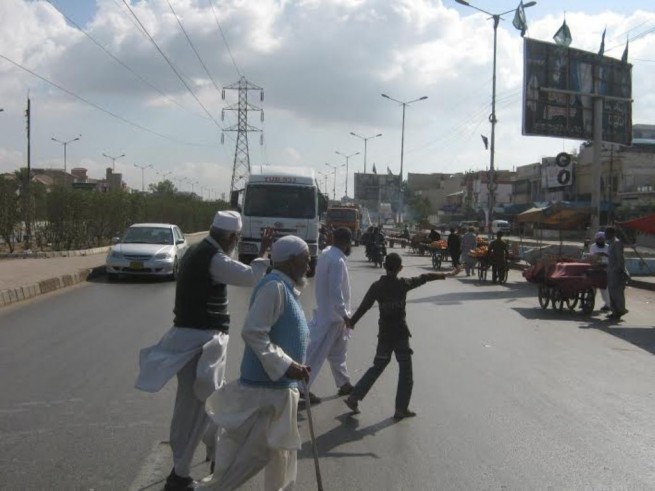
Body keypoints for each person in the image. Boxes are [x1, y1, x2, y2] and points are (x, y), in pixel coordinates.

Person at [135, 211, 273, 491]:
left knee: (210, 402)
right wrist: (264, 252)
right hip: (203, 342)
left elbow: (234, 270)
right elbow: (250, 276)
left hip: (191, 339)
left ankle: (215, 457)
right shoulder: (213, 258)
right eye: (236, 238)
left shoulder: (198, 251)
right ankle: (180, 473)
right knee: (200, 406)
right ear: (232, 237)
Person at [198, 236, 312, 491]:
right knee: (251, 457)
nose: (309, 265)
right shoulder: (274, 287)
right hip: (264, 393)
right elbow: (253, 332)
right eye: (305, 259)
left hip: (280, 390)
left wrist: (292, 368)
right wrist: (286, 364)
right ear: (292, 261)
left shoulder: (286, 288)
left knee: (281, 455)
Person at [344, 253, 460, 419]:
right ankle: (401, 409)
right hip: (400, 334)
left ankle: (354, 397)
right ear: (400, 268)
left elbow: (364, 307)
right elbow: (424, 277)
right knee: (405, 371)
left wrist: (352, 322)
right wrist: (448, 274)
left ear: (384, 266)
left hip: (384, 334)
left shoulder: (376, 286)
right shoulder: (403, 284)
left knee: (378, 366)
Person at [304, 227, 353, 404]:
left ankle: (344, 383)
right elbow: (335, 291)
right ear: (348, 242)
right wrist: (345, 315)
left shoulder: (326, 253)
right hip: (332, 317)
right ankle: (302, 389)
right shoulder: (337, 260)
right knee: (316, 355)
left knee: (339, 354)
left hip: (333, 316)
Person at [604, 226, 629, 320]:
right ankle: (615, 311)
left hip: (617, 271)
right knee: (612, 292)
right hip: (611, 271)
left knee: (617, 293)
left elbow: (620, 258)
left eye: (607, 233)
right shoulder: (611, 243)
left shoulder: (617, 243)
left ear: (612, 234)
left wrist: (620, 270)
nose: (605, 235)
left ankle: (620, 310)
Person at [589, 231, 611, 312]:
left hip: (605, 269)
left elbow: (609, 257)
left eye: (602, 239)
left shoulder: (608, 247)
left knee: (604, 288)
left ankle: (608, 304)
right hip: (595, 268)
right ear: (596, 239)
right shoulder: (593, 246)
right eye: (599, 239)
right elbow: (592, 256)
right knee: (591, 287)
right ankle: (588, 302)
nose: (600, 241)